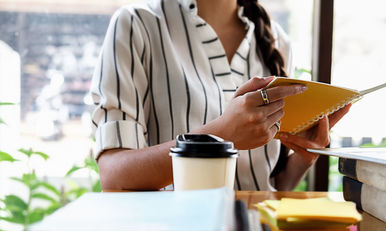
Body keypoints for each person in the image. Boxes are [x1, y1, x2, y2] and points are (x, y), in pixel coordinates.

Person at [90, 0, 350, 191]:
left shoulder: (277, 41)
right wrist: (223, 135)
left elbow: (270, 186)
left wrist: (305, 156)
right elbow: (115, 176)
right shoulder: (137, 24)